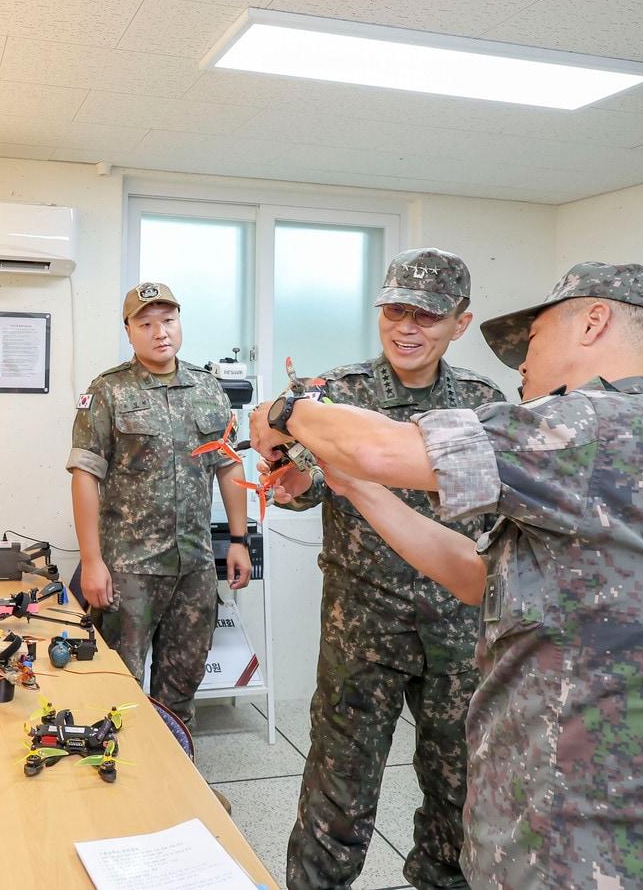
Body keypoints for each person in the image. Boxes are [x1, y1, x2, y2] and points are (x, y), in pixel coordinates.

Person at [250, 261, 643, 888]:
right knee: (341, 782)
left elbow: (378, 449)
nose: (522, 364)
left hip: (599, 827)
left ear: (594, 321)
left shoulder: (600, 426)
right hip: (576, 795)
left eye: (534, 341)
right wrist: (350, 483)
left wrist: (287, 410)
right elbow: (478, 574)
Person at [271, 248, 504, 890]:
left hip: (459, 635)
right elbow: (310, 473)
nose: (407, 328)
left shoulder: (483, 403)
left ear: (460, 323)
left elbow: (494, 500)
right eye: (395, 310)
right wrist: (295, 480)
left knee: (459, 791)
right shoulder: (337, 394)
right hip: (362, 633)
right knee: (337, 789)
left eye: (427, 316)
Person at [67, 282, 253, 727]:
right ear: (128, 331)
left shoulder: (208, 389)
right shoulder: (108, 392)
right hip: (129, 570)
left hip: (194, 567)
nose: (160, 332)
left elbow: (228, 468)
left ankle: (177, 785)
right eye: (146, 323)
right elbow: (84, 476)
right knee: (118, 689)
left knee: (183, 688)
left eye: (168, 320)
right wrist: (91, 561)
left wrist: (239, 540)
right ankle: (122, 791)